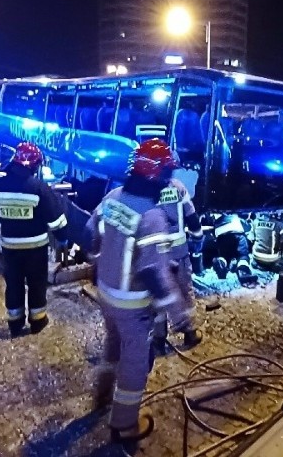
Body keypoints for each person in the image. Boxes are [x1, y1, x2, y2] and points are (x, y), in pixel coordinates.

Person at [88, 139, 193, 445]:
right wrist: (180, 314)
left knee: (112, 345)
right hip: (132, 305)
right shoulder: (153, 216)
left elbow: (88, 233)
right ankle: (123, 425)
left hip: (106, 293)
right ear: (156, 176)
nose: (169, 179)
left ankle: (102, 394)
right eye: (166, 172)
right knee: (135, 362)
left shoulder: (113, 197)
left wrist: (103, 259)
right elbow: (152, 272)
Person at [0, 142, 69, 337]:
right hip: (35, 248)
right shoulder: (38, 187)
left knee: (13, 284)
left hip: (9, 248)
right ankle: (38, 321)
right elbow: (55, 218)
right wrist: (63, 238)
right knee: (37, 283)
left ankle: (15, 322)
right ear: (34, 165)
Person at [152, 163, 204, 355]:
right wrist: (198, 237)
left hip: (157, 255)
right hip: (179, 253)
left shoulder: (146, 191)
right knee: (184, 292)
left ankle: (158, 339)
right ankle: (189, 333)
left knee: (158, 296)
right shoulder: (178, 187)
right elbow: (192, 217)